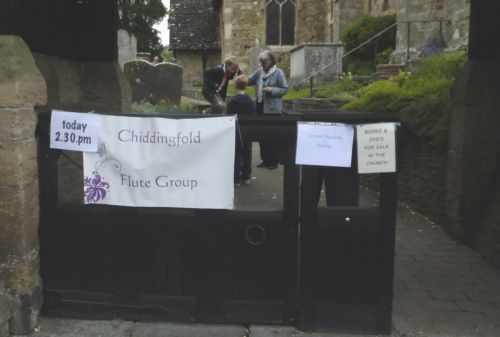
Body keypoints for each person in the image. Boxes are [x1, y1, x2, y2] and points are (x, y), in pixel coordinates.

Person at [248, 50, 288, 169]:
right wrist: (242, 78)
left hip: (273, 109)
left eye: (264, 61)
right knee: (262, 135)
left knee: (272, 136)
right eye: (261, 61)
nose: (262, 64)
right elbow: (250, 80)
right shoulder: (259, 72)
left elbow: (284, 89)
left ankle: (273, 161)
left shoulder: (278, 73)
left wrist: (272, 90)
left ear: (271, 61)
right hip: (260, 107)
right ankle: (265, 160)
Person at [227, 75, 256, 186]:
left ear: (235, 86)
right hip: (247, 131)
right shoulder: (250, 101)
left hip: (235, 131)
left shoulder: (232, 101)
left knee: (236, 154)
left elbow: (228, 117)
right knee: (247, 153)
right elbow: (253, 116)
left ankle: (236, 179)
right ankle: (246, 176)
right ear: (246, 86)